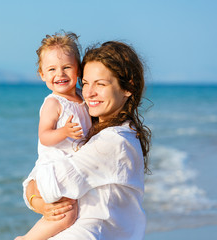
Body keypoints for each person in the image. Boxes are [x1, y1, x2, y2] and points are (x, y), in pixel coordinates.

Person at [23, 41, 151, 239]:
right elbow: (46, 177)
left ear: (128, 87)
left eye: (100, 84)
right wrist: (35, 191)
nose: (89, 93)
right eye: (86, 83)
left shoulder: (114, 141)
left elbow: (49, 185)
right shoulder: (98, 131)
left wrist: (33, 191)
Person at [15, 32, 92, 240]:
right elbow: (44, 136)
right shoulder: (53, 103)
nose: (60, 74)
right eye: (52, 69)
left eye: (67, 67)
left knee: (66, 215)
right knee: (65, 214)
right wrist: (64, 132)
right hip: (53, 169)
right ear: (42, 74)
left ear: (78, 69)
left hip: (70, 169)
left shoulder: (82, 97)